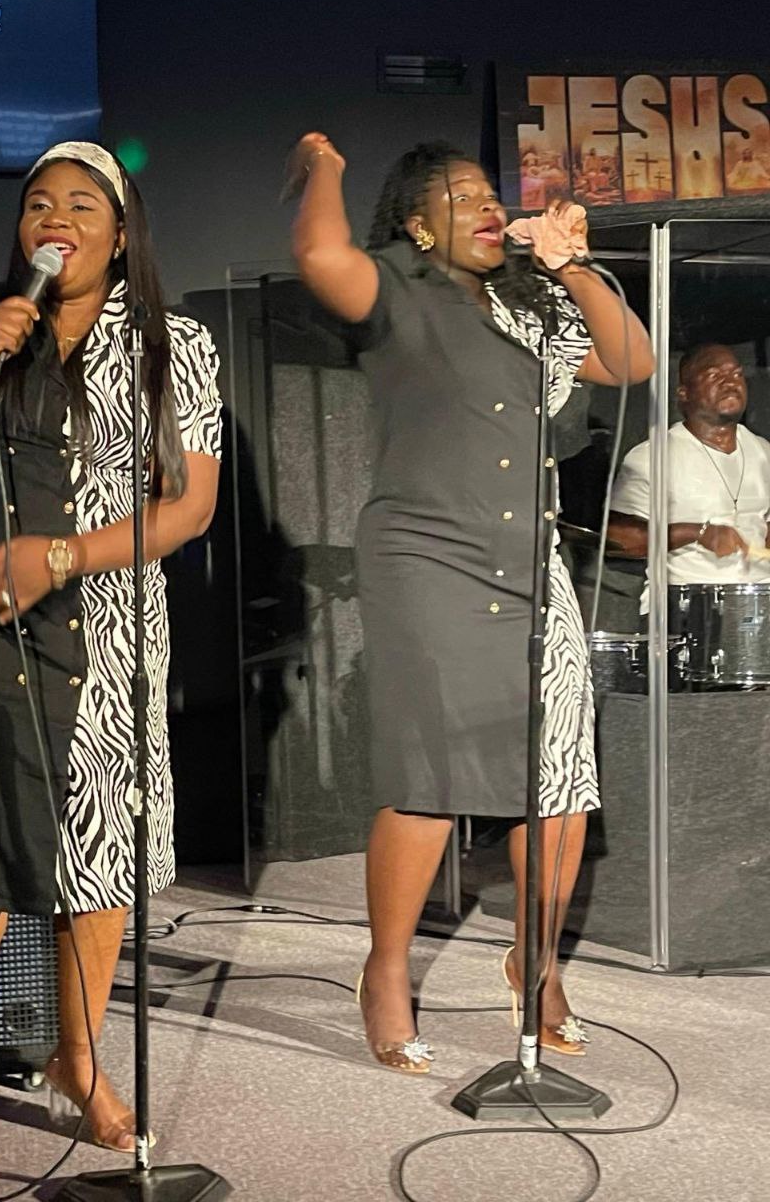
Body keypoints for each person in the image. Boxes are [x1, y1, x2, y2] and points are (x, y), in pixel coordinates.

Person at [0, 142, 222, 1192]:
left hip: (113, 627)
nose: (54, 217)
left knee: (103, 853)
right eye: (37, 203)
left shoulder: (172, 344)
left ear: (121, 233)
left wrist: (62, 557)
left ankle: (78, 1058)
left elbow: (187, 507)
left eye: (81, 204)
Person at [283, 133, 654, 1073]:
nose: (489, 208)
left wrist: (571, 267)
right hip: (428, 561)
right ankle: (387, 970)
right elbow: (320, 254)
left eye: (493, 195)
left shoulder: (531, 306)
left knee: (559, 779)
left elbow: (631, 361)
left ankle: (536, 963)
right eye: (462, 198)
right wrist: (325, 165)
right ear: (417, 224)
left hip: (531, 565)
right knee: (433, 776)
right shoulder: (395, 288)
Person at [608, 343, 770, 599]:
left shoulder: (763, 452)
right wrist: (697, 533)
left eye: (737, 374)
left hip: (759, 598)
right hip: (688, 600)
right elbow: (617, 538)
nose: (730, 382)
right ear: (684, 393)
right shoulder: (654, 456)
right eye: (715, 375)